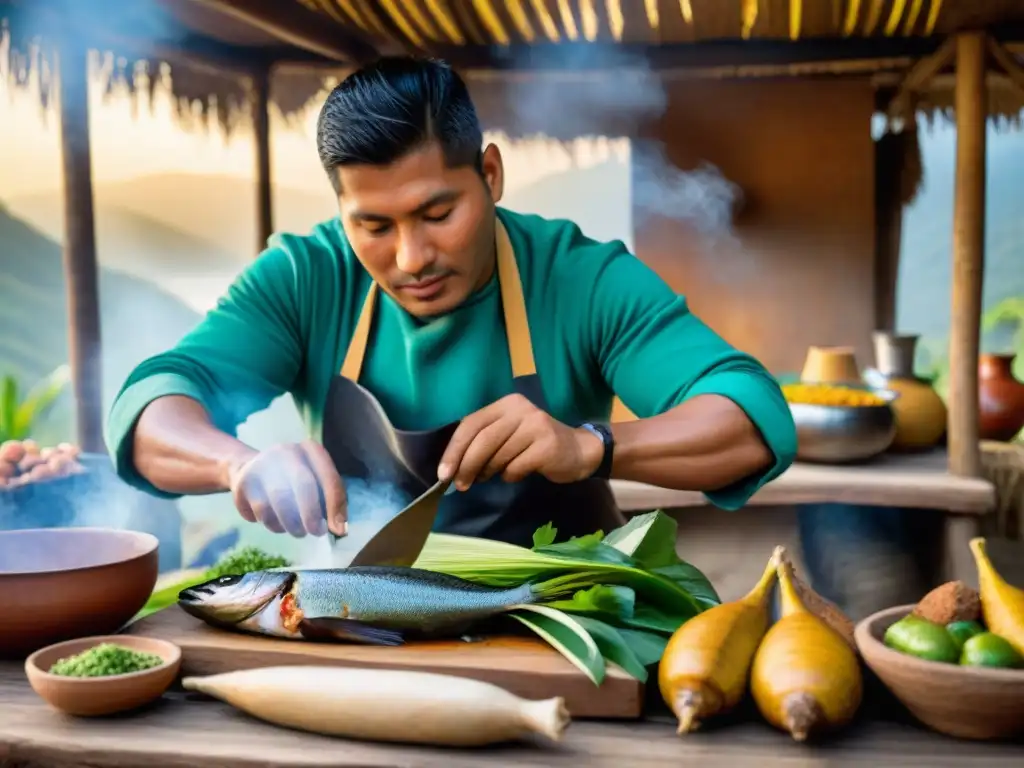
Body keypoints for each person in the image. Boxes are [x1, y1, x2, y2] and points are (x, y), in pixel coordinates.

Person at [104, 56, 797, 548]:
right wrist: (238, 463)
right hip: (365, 619)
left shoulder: (577, 277)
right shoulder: (306, 275)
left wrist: (589, 446)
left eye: (438, 213)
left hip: (567, 618)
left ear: (489, 174)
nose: (411, 258)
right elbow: (152, 406)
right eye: (373, 226)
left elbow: (750, 418)